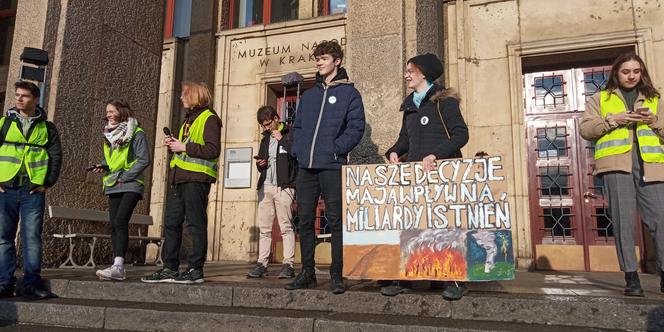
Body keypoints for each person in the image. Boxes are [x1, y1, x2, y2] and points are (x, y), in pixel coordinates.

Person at [383, 53, 469, 300]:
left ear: (424, 72)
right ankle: (409, 278)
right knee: (414, 225)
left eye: (410, 70)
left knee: (445, 226)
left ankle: (454, 280)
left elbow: (460, 135)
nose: (406, 74)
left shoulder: (445, 102)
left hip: (442, 175)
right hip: (416, 177)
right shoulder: (409, 106)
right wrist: (394, 152)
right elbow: (404, 140)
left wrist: (436, 154)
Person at [580, 53, 664, 297]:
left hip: (652, 167)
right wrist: (613, 120)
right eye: (626, 71)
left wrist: (654, 120)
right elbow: (586, 129)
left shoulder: (655, 98)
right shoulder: (600, 98)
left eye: (636, 71)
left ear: (642, 73)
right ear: (616, 73)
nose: (631, 76)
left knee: (660, 222)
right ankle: (631, 277)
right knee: (623, 223)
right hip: (616, 167)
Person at [286, 40, 366, 294]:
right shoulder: (309, 96)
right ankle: (307, 272)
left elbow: (356, 127)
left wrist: (336, 148)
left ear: (337, 61)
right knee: (306, 220)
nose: (319, 62)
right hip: (306, 168)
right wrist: (298, 150)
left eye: (324, 58)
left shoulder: (350, 93)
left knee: (335, 221)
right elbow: (297, 128)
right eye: (317, 58)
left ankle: (336, 274)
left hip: (332, 167)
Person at [142, 81, 222, 284]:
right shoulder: (188, 120)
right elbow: (185, 147)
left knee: (195, 224)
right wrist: (175, 146)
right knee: (171, 223)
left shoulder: (210, 118)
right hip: (179, 179)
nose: (180, 98)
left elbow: (213, 150)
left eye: (184, 94)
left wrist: (184, 147)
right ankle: (170, 268)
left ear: (195, 95)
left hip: (196, 179)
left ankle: (196, 269)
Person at [0, 81, 62, 299]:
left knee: (32, 237)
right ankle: (4, 282)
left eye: (24, 96)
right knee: (3, 237)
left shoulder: (48, 128)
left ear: (36, 99)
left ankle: (32, 284)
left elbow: (56, 157)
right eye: (17, 95)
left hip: (33, 190)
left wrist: (47, 183)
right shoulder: (4, 123)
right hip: (5, 188)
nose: (19, 99)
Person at [92, 100, 150, 281]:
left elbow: (143, 159)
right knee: (115, 223)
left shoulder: (136, 133)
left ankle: (118, 265)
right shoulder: (108, 134)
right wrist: (103, 165)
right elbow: (111, 160)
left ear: (122, 112)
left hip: (130, 183)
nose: (108, 114)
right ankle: (116, 266)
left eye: (111, 111)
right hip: (113, 183)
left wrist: (124, 176)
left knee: (120, 220)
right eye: (107, 111)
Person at [246, 106, 297, 279]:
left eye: (268, 124)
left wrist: (282, 139)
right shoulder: (265, 138)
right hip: (266, 186)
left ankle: (288, 264)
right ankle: (262, 264)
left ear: (276, 118)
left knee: (286, 226)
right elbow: (262, 161)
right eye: (264, 125)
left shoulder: (290, 133)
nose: (267, 128)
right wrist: (260, 164)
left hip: (284, 186)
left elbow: (296, 155)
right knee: (265, 228)